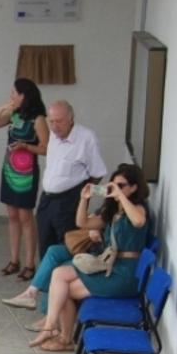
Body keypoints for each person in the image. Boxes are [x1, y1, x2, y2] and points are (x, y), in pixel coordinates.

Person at [27, 164, 150, 351]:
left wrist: (121, 196)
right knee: (59, 274)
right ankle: (52, 328)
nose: (116, 189)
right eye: (113, 185)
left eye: (122, 185)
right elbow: (81, 222)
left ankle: (62, 337)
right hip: (110, 266)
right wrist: (84, 199)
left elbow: (139, 221)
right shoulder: (113, 210)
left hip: (125, 274)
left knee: (64, 290)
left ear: (134, 187)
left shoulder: (138, 208)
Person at [0, 78, 48, 280]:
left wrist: (26, 146)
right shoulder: (14, 115)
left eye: (14, 94)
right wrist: (4, 107)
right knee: (12, 215)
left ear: (24, 95)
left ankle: (30, 263)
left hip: (27, 171)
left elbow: (46, 148)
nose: (11, 96)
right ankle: (14, 259)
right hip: (10, 168)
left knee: (25, 217)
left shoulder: (37, 119)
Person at [36, 100, 107, 258]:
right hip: (47, 199)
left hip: (69, 200)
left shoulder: (86, 138)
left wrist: (82, 196)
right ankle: (46, 281)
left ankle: (64, 279)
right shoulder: (54, 135)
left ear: (71, 119)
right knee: (44, 243)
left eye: (59, 121)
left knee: (67, 246)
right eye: (51, 121)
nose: (54, 126)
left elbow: (98, 172)